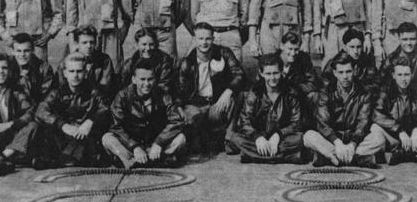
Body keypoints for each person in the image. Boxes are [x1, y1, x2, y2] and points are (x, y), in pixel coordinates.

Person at [103, 58, 186, 168]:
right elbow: (116, 127)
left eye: (150, 79)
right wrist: (134, 146)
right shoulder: (122, 96)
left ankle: (143, 161)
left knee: (181, 138)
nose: (146, 84)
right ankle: (142, 161)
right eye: (142, 79)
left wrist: (159, 143)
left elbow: (176, 121)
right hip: (132, 146)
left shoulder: (163, 95)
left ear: (155, 79)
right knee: (107, 138)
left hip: (154, 145)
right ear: (134, 79)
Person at [302, 51, 378, 168]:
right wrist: (337, 143)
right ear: (335, 73)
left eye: (348, 71)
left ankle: (331, 157)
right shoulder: (326, 91)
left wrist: (352, 144)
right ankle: (356, 159)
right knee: (308, 136)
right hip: (333, 141)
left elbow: (363, 122)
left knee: (379, 138)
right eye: (341, 72)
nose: (345, 77)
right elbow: (323, 123)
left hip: (355, 142)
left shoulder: (364, 92)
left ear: (355, 70)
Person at [177, 22, 245, 153]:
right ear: (195, 40)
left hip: (217, 103)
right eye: (200, 39)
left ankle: (228, 138)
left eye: (208, 38)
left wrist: (228, 92)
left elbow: (240, 74)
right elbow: (180, 91)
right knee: (196, 132)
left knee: (239, 95)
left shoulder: (224, 53)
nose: (204, 42)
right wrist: (181, 109)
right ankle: (203, 139)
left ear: (213, 39)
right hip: (196, 104)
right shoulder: (188, 62)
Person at [363, 57, 417, 165]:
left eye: (407, 75)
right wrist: (399, 130)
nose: (403, 79)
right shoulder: (386, 90)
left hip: (416, 139)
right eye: (400, 75)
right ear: (393, 75)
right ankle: (410, 153)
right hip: (395, 138)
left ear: (411, 75)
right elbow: (377, 114)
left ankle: (413, 152)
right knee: (375, 128)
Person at [36, 53, 110, 168]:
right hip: (65, 136)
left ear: (85, 73)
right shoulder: (57, 92)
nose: (75, 75)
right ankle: (65, 159)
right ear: (65, 73)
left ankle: (64, 160)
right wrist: (62, 125)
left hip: (84, 137)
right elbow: (41, 111)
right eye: (71, 71)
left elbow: (105, 108)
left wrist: (90, 121)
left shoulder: (94, 92)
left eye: (79, 71)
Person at [231, 54, 305, 164]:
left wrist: (278, 135)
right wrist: (258, 138)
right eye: (268, 74)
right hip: (261, 135)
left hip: (282, 138)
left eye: (275, 73)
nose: (272, 78)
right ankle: (289, 157)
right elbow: (245, 121)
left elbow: (296, 122)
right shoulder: (255, 92)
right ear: (261, 74)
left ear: (281, 72)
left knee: (300, 138)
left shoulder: (291, 92)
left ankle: (251, 156)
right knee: (236, 138)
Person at [57, 25, 115, 100]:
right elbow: (62, 86)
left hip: (97, 101)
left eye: (92, 42)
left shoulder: (104, 60)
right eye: (84, 43)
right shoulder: (68, 61)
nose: (89, 46)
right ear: (77, 44)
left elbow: (104, 86)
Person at [277, 31, 322, 121]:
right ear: (282, 46)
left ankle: (312, 125)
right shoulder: (272, 60)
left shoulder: (304, 59)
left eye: (296, 49)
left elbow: (313, 83)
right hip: (277, 99)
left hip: (298, 97)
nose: (293, 53)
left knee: (314, 95)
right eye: (290, 49)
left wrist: (295, 89)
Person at [380, 22, 417, 93]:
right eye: (405, 39)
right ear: (399, 38)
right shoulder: (391, 58)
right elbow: (381, 80)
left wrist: (406, 86)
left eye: (412, 39)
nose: (409, 43)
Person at [323, 28, 379, 94]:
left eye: (359, 47)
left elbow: (374, 83)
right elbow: (325, 82)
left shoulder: (367, 61)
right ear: (344, 47)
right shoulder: (336, 62)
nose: (355, 51)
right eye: (352, 47)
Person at [120, 28, 175, 95]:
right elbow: (123, 86)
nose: (148, 48)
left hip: (158, 97)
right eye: (144, 44)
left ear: (156, 45)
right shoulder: (129, 64)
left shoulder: (165, 61)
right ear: (137, 45)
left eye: (151, 44)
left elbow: (164, 86)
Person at [8, 33, 56, 105]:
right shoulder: (6, 66)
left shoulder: (44, 69)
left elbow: (47, 98)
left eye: (26, 51)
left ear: (33, 50)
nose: (22, 55)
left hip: (35, 108)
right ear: (13, 51)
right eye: (18, 51)